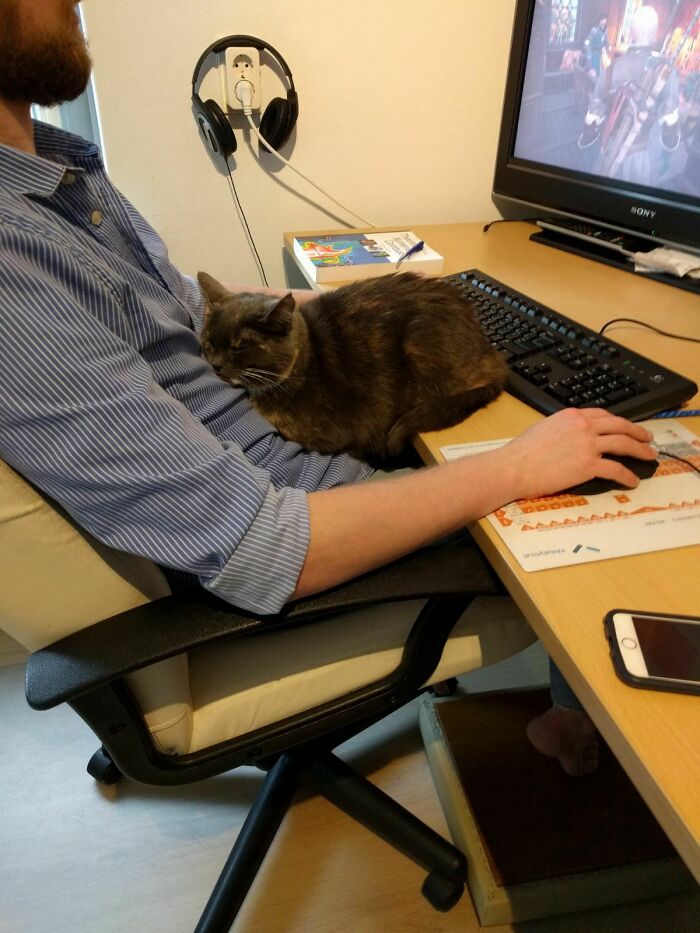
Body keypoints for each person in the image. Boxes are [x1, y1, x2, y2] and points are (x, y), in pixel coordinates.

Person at [0, 0, 656, 775]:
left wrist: (368, 300)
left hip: (287, 478)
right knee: (626, 492)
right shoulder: (12, 261)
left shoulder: (53, 183)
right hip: (299, 536)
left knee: (558, 435)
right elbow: (263, 542)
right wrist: (516, 468)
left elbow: (178, 312)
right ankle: (586, 747)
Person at [578, 5, 681, 185]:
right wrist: (667, 154)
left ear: (631, 33)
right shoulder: (667, 72)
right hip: (639, 162)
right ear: (655, 34)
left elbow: (591, 124)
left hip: (607, 153)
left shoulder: (610, 70)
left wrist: (589, 151)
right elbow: (670, 131)